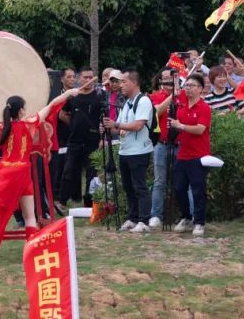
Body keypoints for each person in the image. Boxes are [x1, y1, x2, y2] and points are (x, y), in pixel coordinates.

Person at [0, 86, 84, 263]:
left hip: (6, 174)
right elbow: (51, 105)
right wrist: (68, 94)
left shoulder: (1, 127)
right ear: (21, 111)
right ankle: (31, 252)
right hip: (23, 173)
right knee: (30, 216)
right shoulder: (30, 124)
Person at [160, 73, 210, 237]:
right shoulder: (181, 106)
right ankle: (186, 216)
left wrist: (180, 126)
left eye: (192, 85)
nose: (187, 88)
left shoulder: (204, 107)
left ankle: (200, 222)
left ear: (200, 89)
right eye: (186, 85)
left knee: (198, 190)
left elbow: (200, 129)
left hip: (199, 155)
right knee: (179, 188)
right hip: (183, 153)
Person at [103, 70, 154, 233]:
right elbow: (118, 126)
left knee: (139, 186)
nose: (120, 85)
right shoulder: (126, 103)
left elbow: (138, 125)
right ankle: (133, 218)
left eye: (124, 82)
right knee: (128, 186)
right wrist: (108, 127)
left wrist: (116, 125)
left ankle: (144, 220)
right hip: (125, 151)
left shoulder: (144, 101)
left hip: (139, 151)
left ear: (134, 83)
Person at [61, 67, 101, 206]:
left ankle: (89, 204)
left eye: (91, 77)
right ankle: (62, 201)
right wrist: (73, 125)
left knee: (91, 174)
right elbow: (63, 114)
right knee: (68, 172)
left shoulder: (98, 97)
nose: (88, 80)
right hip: (74, 141)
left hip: (92, 142)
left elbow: (103, 118)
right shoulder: (73, 96)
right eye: (85, 77)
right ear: (80, 79)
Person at [147, 68, 177, 228]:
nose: (168, 83)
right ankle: (156, 215)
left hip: (180, 144)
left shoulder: (184, 96)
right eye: (165, 80)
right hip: (161, 144)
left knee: (181, 182)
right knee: (159, 181)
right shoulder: (154, 96)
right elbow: (156, 112)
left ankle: (186, 215)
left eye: (171, 80)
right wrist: (173, 96)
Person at [50, 67, 76, 209]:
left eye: (73, 77)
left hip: (74, 137)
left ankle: (69, 196)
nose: (72, 79)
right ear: (62, 79)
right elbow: (60, 115)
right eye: (69, 76)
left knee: (71, 168)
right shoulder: (57, 96)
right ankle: (55, 197)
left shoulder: (78, 95)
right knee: (59, 167)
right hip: (60, 135)